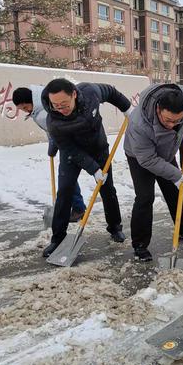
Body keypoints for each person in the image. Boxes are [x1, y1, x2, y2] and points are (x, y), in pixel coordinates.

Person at [41, 78, 133, 258]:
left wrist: (127, 108)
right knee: (65, 191)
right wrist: (93, 169)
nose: (61, 109)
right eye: (56, 105)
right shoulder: (53, 121)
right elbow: (68, 148)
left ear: (74, 94)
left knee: (108, 189)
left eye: (64, 104)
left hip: (98, 148)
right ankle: (57, 239)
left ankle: (115, 228)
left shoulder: (90, 93)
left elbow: (111, 91)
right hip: (72, 153)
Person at [124, 84, 183, 262]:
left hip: (166, 151)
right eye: (168, 120)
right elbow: (148, 160)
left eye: (177, 121)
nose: (172, 125)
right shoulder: (140, 124)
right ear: (158, 108)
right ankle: (140, 245)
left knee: (175, 192)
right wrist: (175, 175)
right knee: (145, 197)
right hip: (140, 156)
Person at [12, 86, 87, 223]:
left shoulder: (41, 113)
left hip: (71, 143)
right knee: (67, 178)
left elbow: (56, 131)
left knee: (66, 178)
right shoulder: (42, 96)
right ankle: (78, 207)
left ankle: (78, 208)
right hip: (72, 140)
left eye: (25, 107)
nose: (25, 111)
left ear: (30, 101)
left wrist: (53, 145)